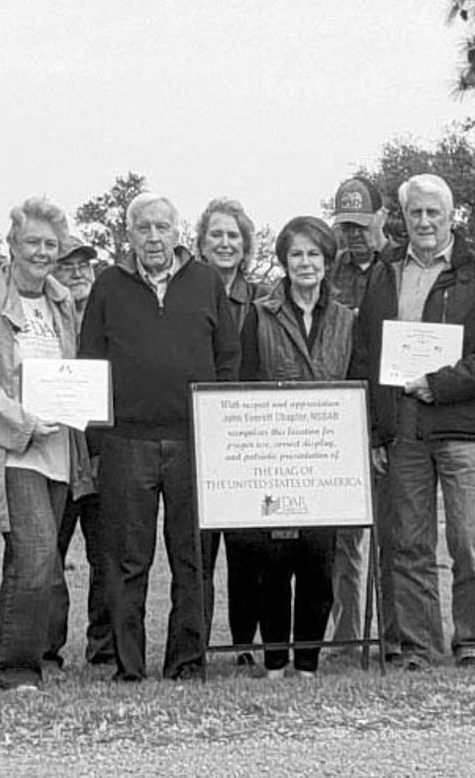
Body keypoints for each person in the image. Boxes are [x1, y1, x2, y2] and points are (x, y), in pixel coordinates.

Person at [349, 173, 475, 669]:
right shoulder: (384, 273)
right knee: (408, 543)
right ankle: (418, 647)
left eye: (433, 213)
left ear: (450, 217)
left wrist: (441, 383)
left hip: (463, 427)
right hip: (403, 428)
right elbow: (366, 354)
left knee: (466, 540)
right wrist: (376, 430)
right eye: (414, 213)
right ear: (402, 218)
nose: (424, 221)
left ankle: (473, 643)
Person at [79, 191, 241, 682]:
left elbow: (228, 361)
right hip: (127, 442)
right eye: (143, 228)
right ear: (129, 236)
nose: (153, 238)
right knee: (128, 562)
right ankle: (128, 666)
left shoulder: (206, 282)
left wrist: (220, 433)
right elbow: (91, 365)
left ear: (177, 232)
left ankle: (187, 663)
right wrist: (96, 444)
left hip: (195, 442)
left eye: (162, 228)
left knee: (192, 559)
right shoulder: (108, 286)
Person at [0, 197, 92, 690]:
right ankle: (13, 670)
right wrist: (26, 422)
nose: (41, 251)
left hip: (58, 452)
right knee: (35, 558)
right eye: (31, 242)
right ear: (11, 245)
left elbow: (73, 372)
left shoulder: (62, 301)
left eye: (51, 244)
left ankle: (26, 662)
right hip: (11, 450)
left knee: (38, 562)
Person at [240, 216, 354, 675]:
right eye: (297, 254)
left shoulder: (347, 319)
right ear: (284, 261)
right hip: (273, 458)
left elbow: (357, 381)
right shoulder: (260, 314)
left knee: (318, 565)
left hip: (325, 459)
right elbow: (246, 382)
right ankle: (273, 664)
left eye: (314, 254)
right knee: (273, 564)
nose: (306, 263)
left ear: (328, 262)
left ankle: (306, 664)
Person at [326, 176, 395, 654]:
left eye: (361, 224)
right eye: (345, 226)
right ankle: (349, 637)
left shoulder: (401, 269)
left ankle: (395, 634)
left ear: (383, 218)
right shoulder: (332, 272)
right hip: (340, 418)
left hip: (391, 417)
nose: (353, 234)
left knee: (395, 536)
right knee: (343, 538)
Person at [193, 197, 261, 664]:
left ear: (246, 245)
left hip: (247, 438)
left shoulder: (261, 300)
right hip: (196, 436)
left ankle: (243, 646)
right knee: (197, 551)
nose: (224, 243)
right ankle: (194, 643)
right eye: (215, 234)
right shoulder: (183, 295)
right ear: (200, 243)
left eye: (233, 235)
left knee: (247, 551)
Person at [43, 239, 113, 670]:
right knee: (48, 554)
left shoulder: (110, 315)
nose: (76, 271)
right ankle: (46, 649)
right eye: (65, 265)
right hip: (54, 449)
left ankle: (104, 648)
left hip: (104, 450)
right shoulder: (44, 319)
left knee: (107, 556)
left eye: (83, 263)